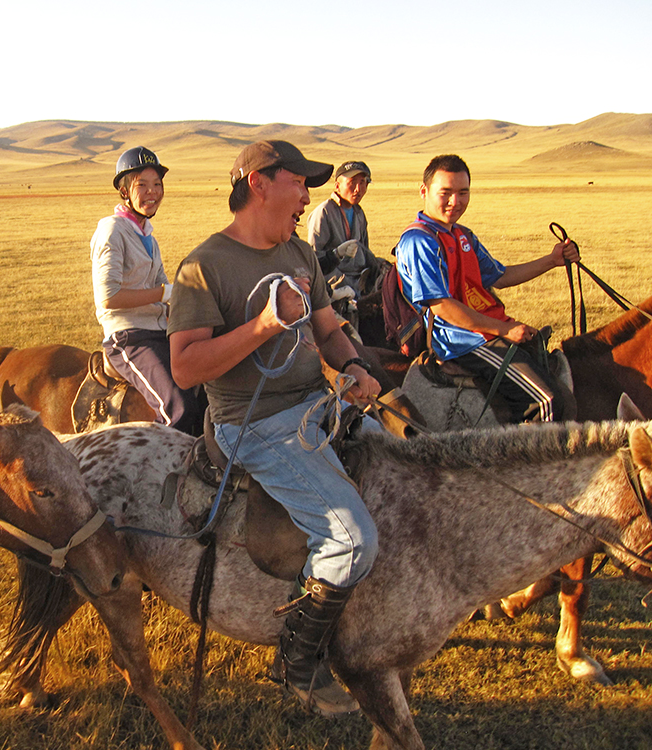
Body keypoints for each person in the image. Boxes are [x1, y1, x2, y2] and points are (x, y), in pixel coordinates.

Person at [168, 140, 381, 716]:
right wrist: (264, 324)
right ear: (259, 183)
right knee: (351, 537)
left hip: (320, 402)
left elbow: (329, 328)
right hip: (254, 424)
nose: (308, 195)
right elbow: (186, 368)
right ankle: (298, 660)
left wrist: (355, 365)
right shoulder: (204, 266)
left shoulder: (300, 252)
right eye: (299, 182)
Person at [394, 154, 579, 422]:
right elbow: (441, 305)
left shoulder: (462, 235)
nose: (455, 202)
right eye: (445, 193)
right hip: (459, 341)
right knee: (544, 401)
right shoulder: (418, 241)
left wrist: (552, 260)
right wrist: (504, 329)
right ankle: (528, 463)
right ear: (424, 191)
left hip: (485, 330)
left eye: (463, 192)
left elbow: (500, 276)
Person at [90, 146, 199, 434]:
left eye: (157, 185)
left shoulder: (148, 235)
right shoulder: (112, 230)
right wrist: (163, 294)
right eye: (142, 185)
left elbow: (164, 288)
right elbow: (108, 297)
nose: (152, 192)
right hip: (129, 337)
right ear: (124, 191)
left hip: (159, 330)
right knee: (178, 408)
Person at [305, 160, 382, 298]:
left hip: (359, 277)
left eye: (363, 182)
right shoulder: (324, 212)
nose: (358, 189)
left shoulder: (359, 213)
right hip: (336, 281)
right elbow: (315, 260)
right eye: (352, 182)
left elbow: (365, 249)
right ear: (337, 186)